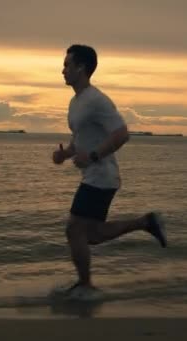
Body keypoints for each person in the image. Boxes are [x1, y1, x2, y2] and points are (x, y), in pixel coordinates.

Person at [52, 44, 167, 297]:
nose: (63, 70)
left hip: (102, 177)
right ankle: (145, 222)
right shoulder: (76, 102)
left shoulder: (97, 100)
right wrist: (66, 154)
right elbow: (81, 140)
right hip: (95, 176)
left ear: (81, 68)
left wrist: (92, 156)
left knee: (75, 229)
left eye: (67, 65)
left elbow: (122, 134)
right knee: (89, 235)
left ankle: (85, 286)